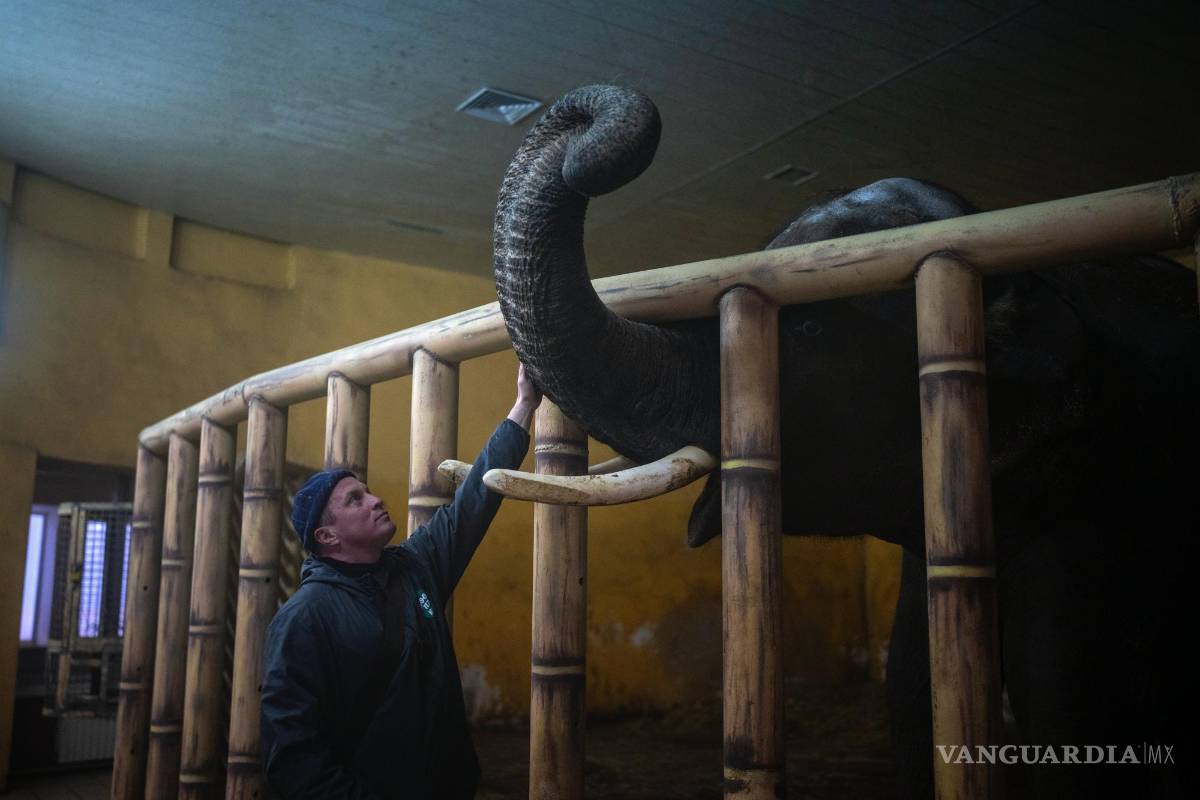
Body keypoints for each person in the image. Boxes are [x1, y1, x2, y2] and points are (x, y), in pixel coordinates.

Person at [260, 365, 541, 799]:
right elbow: (294, 760)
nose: (375, 500)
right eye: (356, 500)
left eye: (368, 491)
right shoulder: (302, 619)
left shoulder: (415, 567)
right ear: (327, 536)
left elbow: (473, 503)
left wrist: (524, 405)